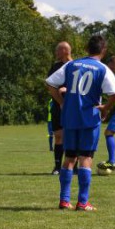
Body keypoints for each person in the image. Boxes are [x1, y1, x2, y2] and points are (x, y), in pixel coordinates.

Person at [46, 35, 115, 211]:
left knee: (69, 158)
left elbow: (50, 83)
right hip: (89, 118)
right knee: (86, 158)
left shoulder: (71, 64)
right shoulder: (102, 68)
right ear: (103, 51)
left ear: (87, 49)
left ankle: (64, 200)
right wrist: (105, 108)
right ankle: (83, 202)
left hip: (70, 117)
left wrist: (62, 103)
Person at [47, 42, 72, 173]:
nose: (56, 53)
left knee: (73, 136)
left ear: (64, 50)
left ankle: (74, 166)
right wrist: (60, 100)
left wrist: (67, 89)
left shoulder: (75, 66)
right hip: (57, 105)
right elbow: (49, 86)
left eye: (57, 51)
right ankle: (57, 167)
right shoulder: (55, 67)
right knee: (58, 136)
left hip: (73, 106)